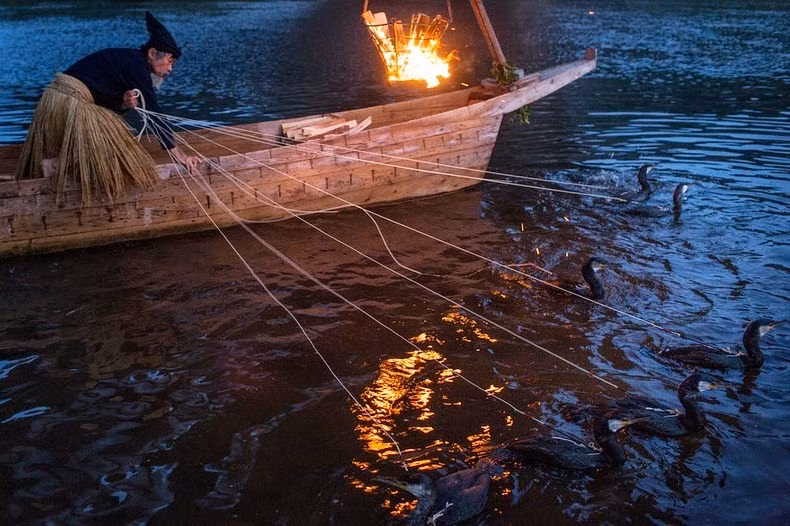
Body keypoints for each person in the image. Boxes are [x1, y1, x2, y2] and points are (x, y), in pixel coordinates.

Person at [14, 11, 199, 204]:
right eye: (170, 61)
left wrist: (122, 102)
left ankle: (54, 166)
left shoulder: (129, 62)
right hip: (70, 100)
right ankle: (53, 167)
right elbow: (154, 113)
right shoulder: (137, 66)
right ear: (152, 53)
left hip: (58, 99)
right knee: (118, 149)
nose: (170, 69)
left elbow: (101, 98)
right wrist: (180, 156)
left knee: (111, 141)